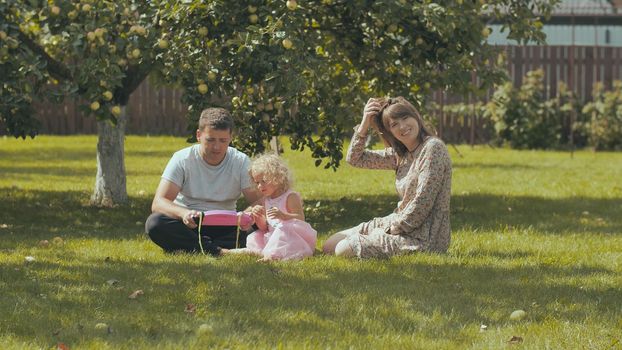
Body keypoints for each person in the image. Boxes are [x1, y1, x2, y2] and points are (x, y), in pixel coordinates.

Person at [322, 96, 452, 258]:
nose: (403, 126)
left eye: (405, 118)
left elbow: (423, 202)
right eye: (394, 124)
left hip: (424, 236)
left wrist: (389, 229)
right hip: (397, 222)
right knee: (330, 245)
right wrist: (364, 124)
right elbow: (355, 159)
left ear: (415, 116)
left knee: (343, 249)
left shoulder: (432, 148)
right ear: (389, 131)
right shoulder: (400, 155)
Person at [145, 107, 261, 256]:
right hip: (191, 224)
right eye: (210, 139)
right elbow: (159, 202)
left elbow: (259, 201)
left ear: (231, 137)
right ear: (199, 135)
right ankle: (219, 251)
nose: (217, 147)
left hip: (228, 225)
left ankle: (194, 247)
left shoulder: (240, 160)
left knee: (264, 221)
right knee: (155, 224)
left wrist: (245, 217)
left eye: (223, 140)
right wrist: (183, 213)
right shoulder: (182, 159)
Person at [222, 153, 317, 261]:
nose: (259, 186)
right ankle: (232, 252)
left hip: (291, 238)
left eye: (264, 181)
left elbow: (300, 218)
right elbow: (265, 227)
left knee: (282, 228)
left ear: (277, 177)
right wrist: (258, 217)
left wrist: (283, 216)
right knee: (256, 241)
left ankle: (271, 257)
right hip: (272, 236)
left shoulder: (290, 196)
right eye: (257, 182)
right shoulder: (266, 200)